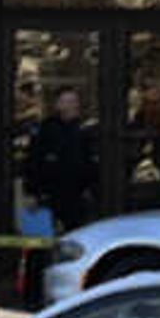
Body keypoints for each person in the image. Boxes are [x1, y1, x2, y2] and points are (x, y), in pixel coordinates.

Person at [21, 86, 100, 237]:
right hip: (47, 195)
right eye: (67, 101)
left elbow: (91, 164)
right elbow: (32, 162)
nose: (72, 105)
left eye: (74, 101)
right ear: (57, 105)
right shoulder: (46, 130)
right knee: (39, 241)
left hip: (76, 195)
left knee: (76, 237)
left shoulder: (86, 130)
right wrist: (32, 192)